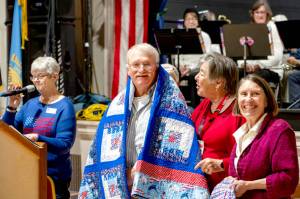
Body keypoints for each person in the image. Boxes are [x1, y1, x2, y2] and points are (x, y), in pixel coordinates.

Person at [79, 43, 209, 198]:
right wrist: (123, 173)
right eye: (136, 64)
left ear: (156, 67)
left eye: (147, 64)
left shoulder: (172, 104)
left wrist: (141, 171)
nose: (141, 69)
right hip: (122, 181)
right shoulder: (116, 105)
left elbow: (179, 149)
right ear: (128, 70)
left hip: (157, 184)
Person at [2, 56, 76, 199]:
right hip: (26, 172)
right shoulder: (30, 105)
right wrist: (12, 107)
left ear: (54, 76)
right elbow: (7, 132)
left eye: (40, 76)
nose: (36, 80)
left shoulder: (65, 106)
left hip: (53, 177)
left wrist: (38, 138)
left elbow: (65, 144)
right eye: (33, 76)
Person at [228, 74, 299, 198]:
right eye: (244, 94)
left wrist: (248, 185)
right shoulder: (241, 133)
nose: (248, 99)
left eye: (255, 94)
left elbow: (289, 179)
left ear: (266, 101)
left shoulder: (279, 130)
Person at [193, 52, 245, 192]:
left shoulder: (240, 112)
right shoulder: (205, 104)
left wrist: (222, 164)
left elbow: (250, 158)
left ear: (218, 82)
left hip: (225, 188)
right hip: (199, 183)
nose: (196, 77)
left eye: (202, 74)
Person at [239, 0, 283, 92]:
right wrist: (244, 64)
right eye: (257, 12)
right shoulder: (249, 28)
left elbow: (277, 57)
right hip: (251, 68)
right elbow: (241, 51)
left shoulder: (273, 28)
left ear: (267, 14)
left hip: (270, 69)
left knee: (255, 77)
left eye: (262, 12)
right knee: (235, 74)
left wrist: (258, 65)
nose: (260, 15)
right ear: (253, 14)